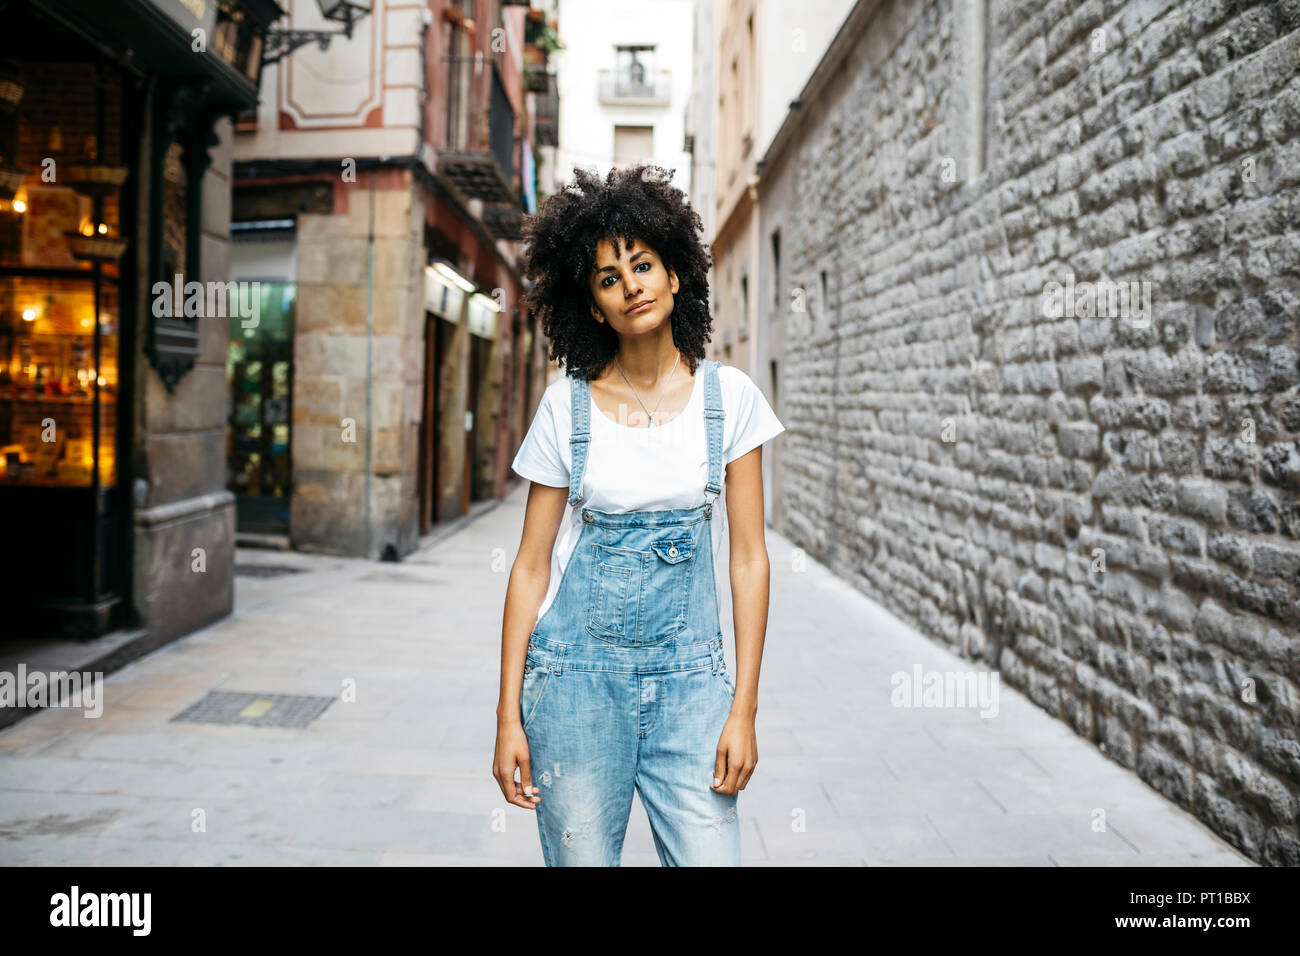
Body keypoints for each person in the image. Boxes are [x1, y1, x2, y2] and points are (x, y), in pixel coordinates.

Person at [492, 162, 785, 866]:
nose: (631, 287)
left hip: (693, 691)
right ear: (593, 306)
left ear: (676, 274)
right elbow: (530, 567)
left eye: (643, 265)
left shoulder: (731, 401)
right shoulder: (567, 407)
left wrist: (742, 708)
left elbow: (748, 559)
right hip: (574, 690)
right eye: (608, 278)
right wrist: (507, 718)